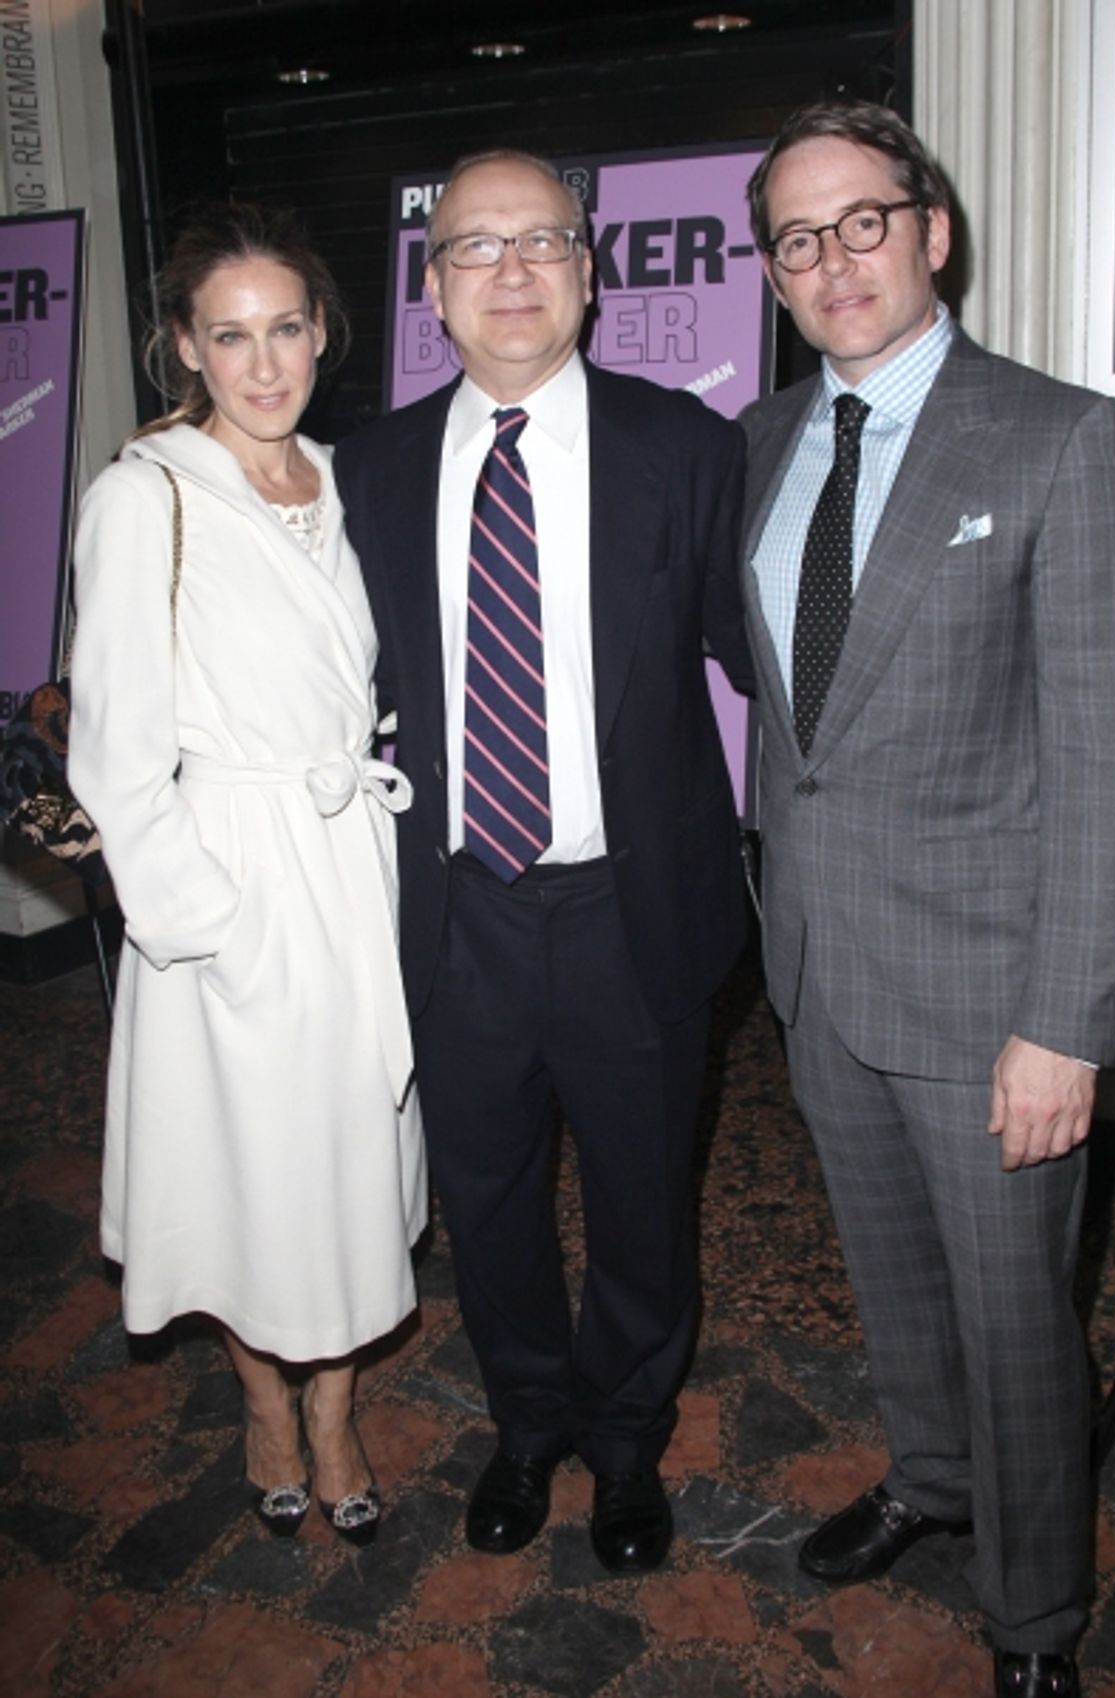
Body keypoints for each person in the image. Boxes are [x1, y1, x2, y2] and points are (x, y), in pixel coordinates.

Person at [740, 102, 1115, 1698]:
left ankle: (1037, 1608)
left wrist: (1066, 1025)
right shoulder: (763, 447)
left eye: (864, 221)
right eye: (798, 235)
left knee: (1016, 1319)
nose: (834, 259)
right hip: (823, 973)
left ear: (933, 230)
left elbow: (1113, 759)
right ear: (774, 275)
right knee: (893, 1276)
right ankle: (933, 1478)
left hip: (994, 995)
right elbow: (800, 724)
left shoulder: (1059, 437)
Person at [335, 150, 753, 1573]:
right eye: (474, 248)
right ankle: (527, 1425)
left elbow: (761, 662)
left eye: (542, 243)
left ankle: (629, 1445)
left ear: (589, 269)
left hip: (632, 904)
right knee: (489, 1198)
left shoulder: (689, 449)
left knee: (644, 1197)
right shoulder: (373, 470)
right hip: (456, 913)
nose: (511, 271)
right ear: (434, 289)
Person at [69, 204, 426, 1547]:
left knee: (349, 1157)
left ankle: (335, 1407)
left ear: (323, 335)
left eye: (286, 329)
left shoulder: (349, 482)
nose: (263, 362)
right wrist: (197, 921)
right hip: (230, 878)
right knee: (246, 1168)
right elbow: (111, 744)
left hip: (350, 863)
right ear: (186, 348)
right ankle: (264, 1401)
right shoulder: (144, 494)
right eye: (231, 335)